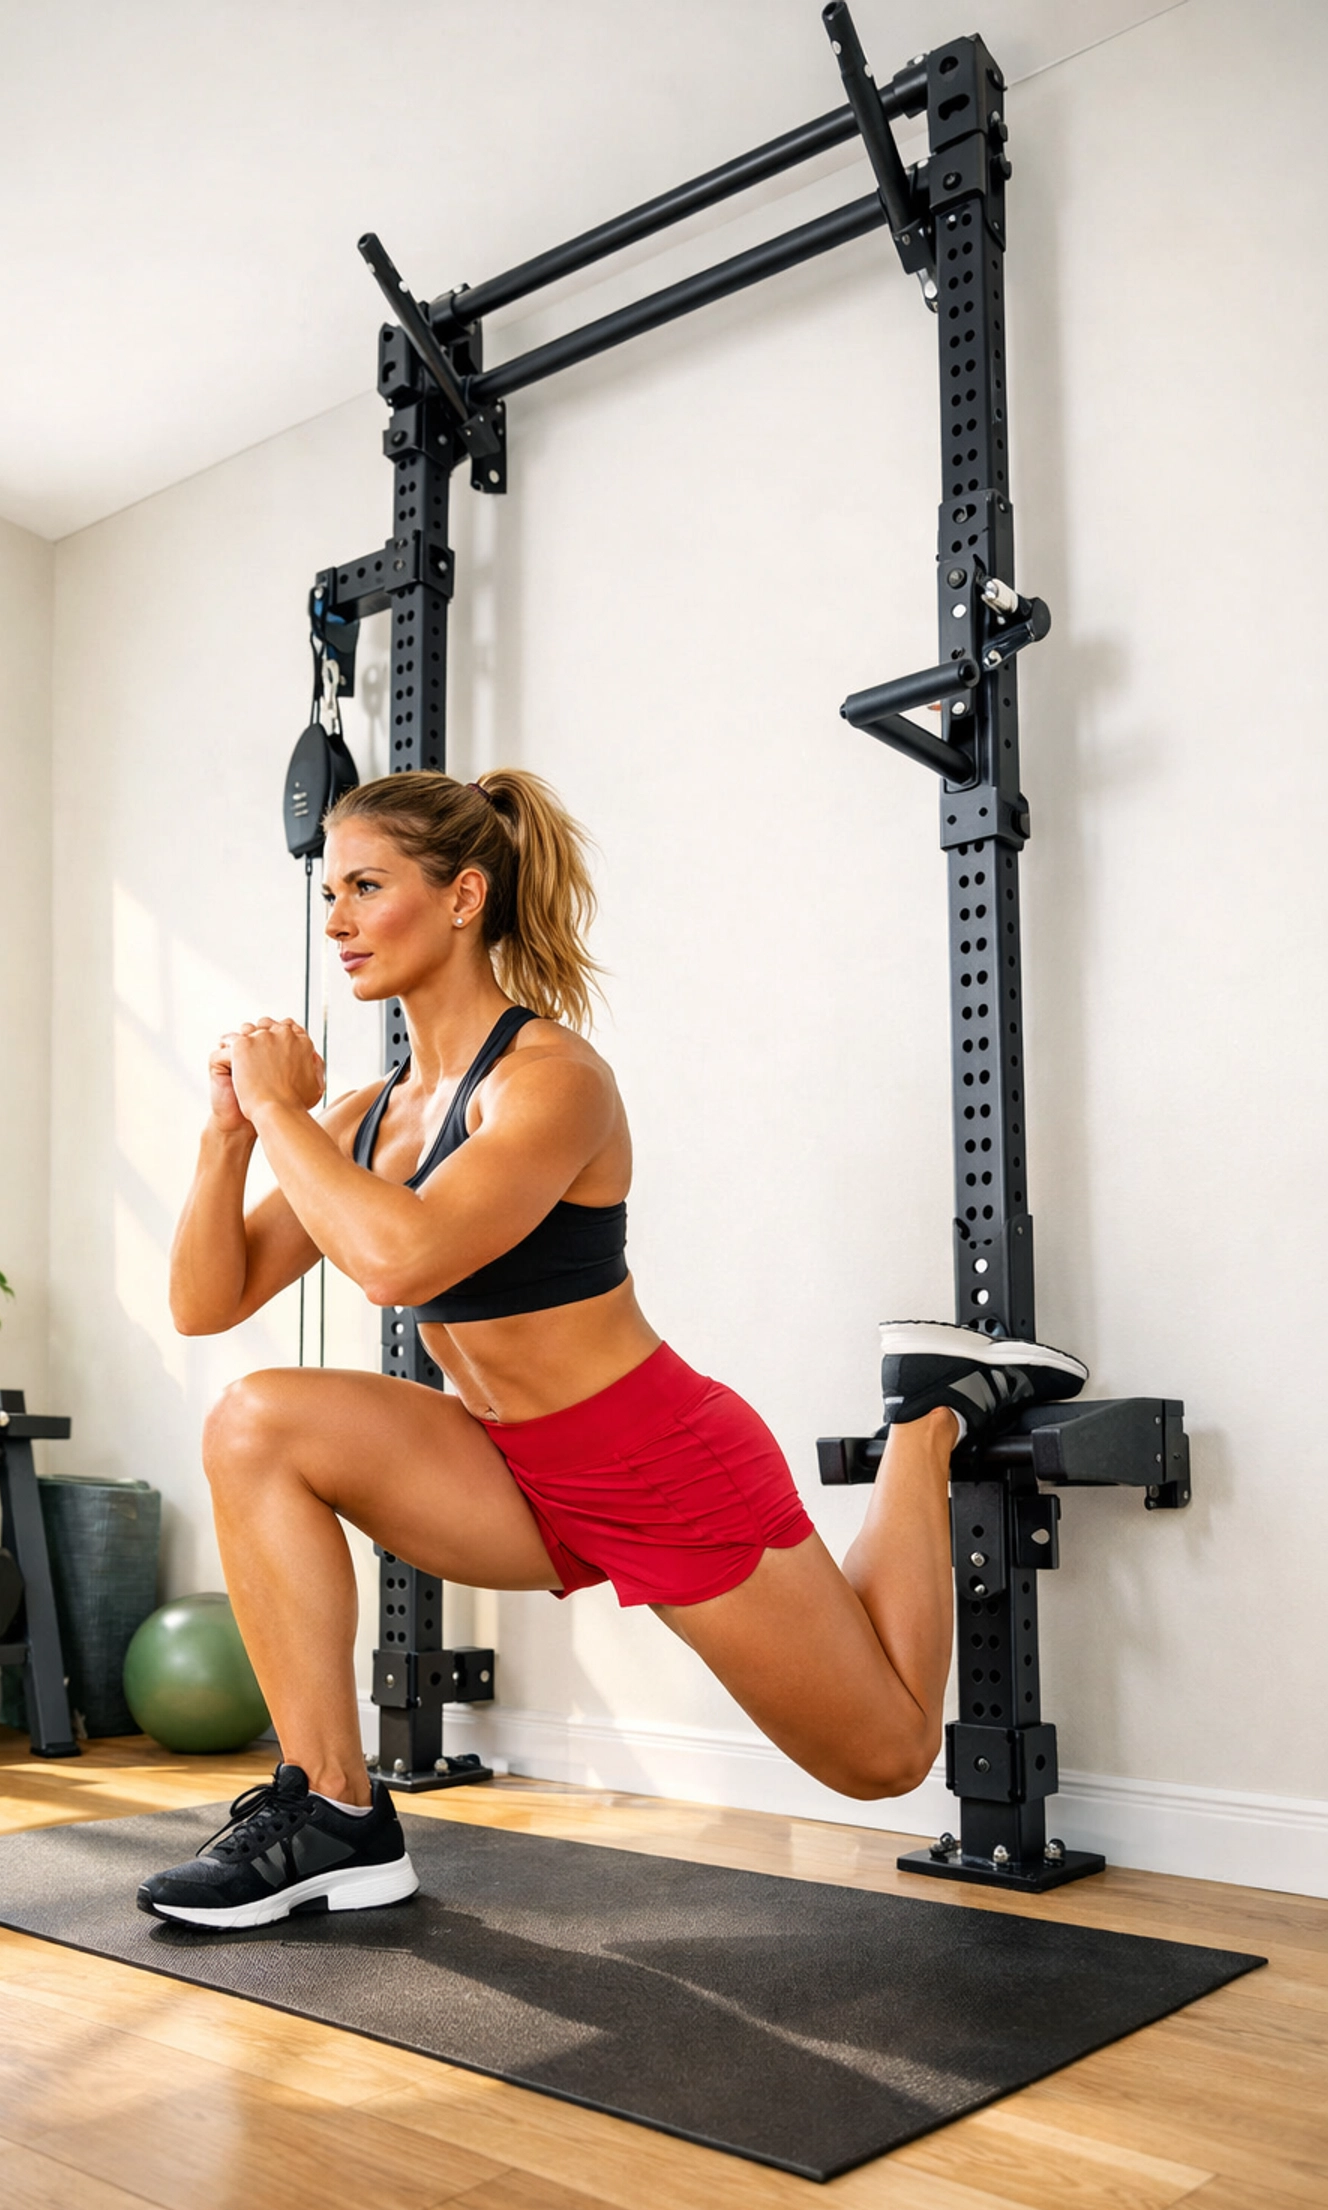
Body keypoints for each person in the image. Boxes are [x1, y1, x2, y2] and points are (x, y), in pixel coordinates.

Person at [137, 769, 1085, 1927]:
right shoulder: (363, 1118)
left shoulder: (552, 1081)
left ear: (462, 896)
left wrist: (286, 1116)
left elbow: (401, 1261)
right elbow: (205, 1302)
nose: (333, 920)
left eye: (367, 886)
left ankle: (926, 1421)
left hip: (654, 1460)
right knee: (252, 1421)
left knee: (883, 1758)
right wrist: (229, 1138)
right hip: (503, 1465)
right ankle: (333, 1810)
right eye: (329, 890)